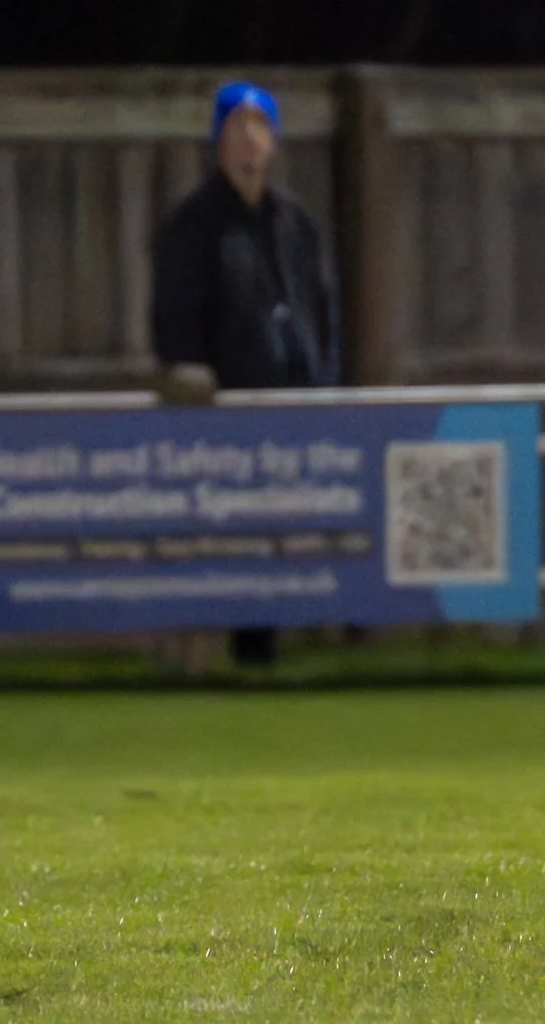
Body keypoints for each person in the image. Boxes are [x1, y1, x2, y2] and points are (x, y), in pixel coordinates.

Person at [152, 81, 342, 665]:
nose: (249, 141)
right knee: (233, 535)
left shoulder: (295, 223)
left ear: (275, 141)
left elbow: (321, 307)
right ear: (217, 141)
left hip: (291, 401)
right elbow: (173, 316)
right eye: (236, 127)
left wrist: (324, 383)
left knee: (286, 532)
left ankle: (275, 641)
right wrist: (195, 385)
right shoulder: (196, 225)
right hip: (227, 410)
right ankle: (240, 648)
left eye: (259, 128)